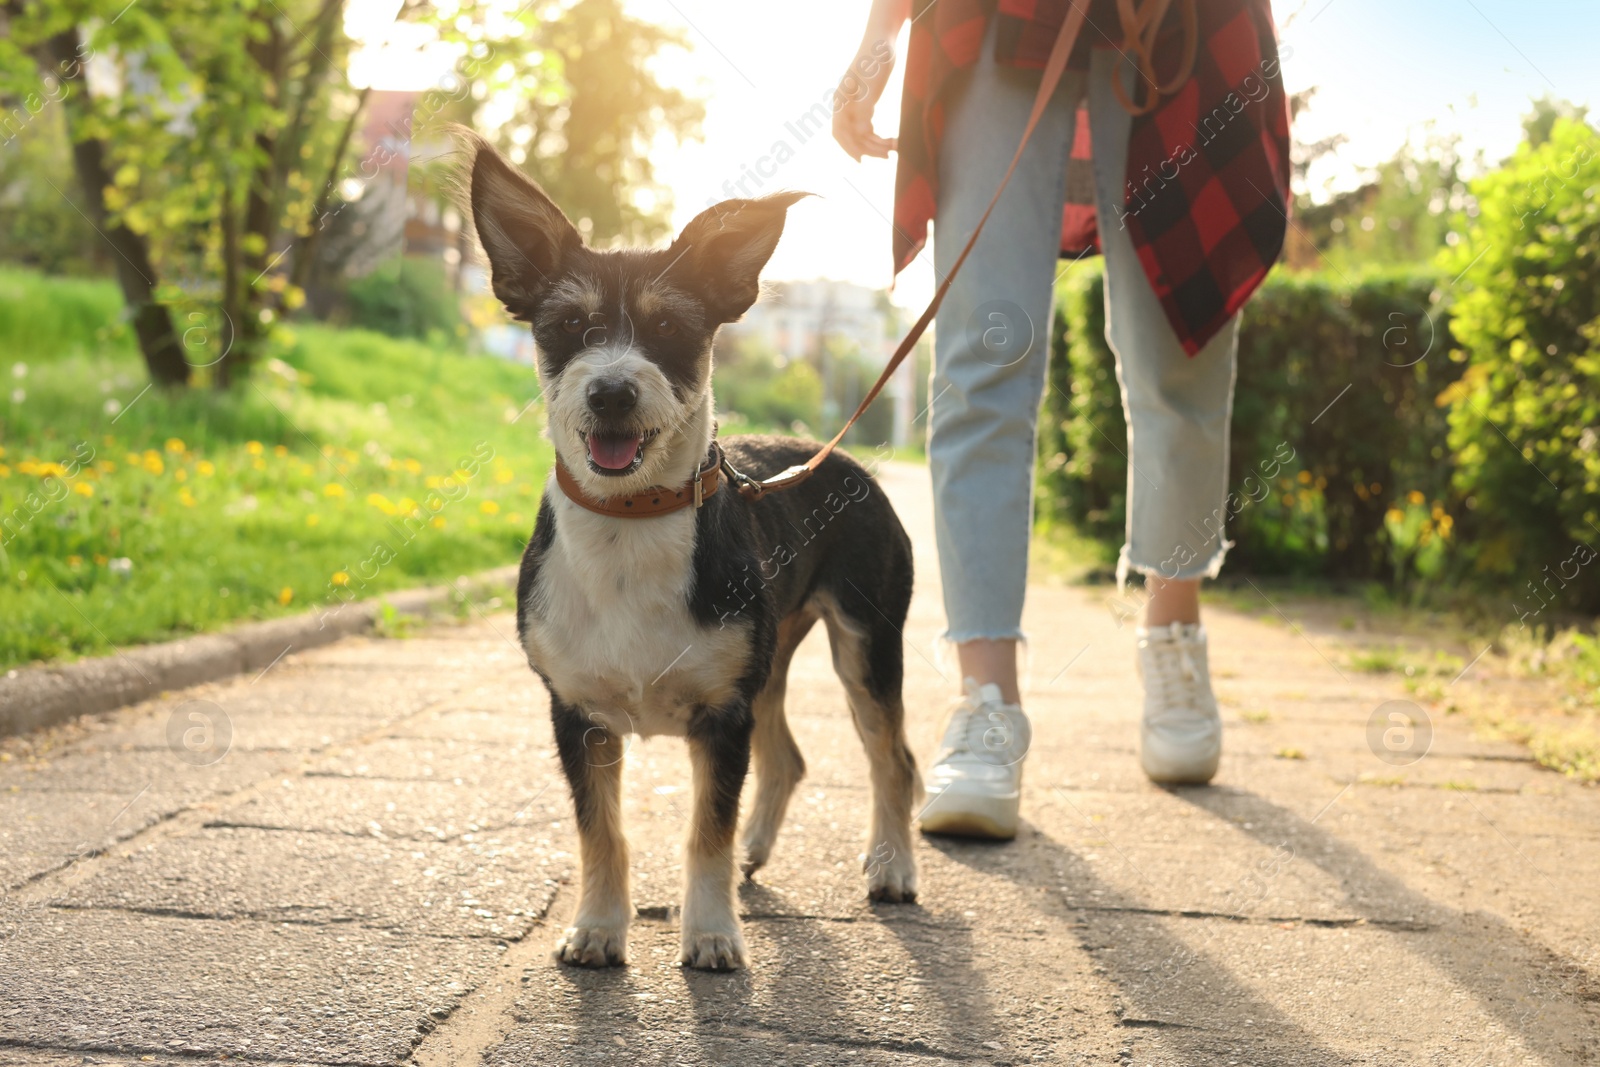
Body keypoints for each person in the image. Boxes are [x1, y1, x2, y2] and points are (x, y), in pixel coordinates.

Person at [833, 0, 1291, 838]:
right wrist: (878, 33)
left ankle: (1173, 630)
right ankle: (987, 700)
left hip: (1185, 23)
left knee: (1177, 350)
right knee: (981, 354)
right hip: (989, 18)